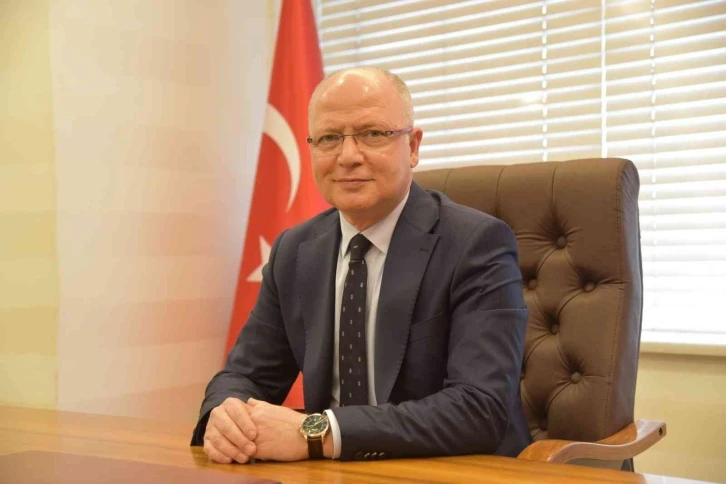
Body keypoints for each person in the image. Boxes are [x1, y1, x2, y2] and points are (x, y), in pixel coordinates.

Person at [191, 67, 531, 463]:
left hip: (455, 470)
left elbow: (480, 408)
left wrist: (318, 433)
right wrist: (225, 415)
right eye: (329, 138)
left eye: (372, 134)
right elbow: (244, 375)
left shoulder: (476, 244)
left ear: (413, 146)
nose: (348, 157)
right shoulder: (295, 251)